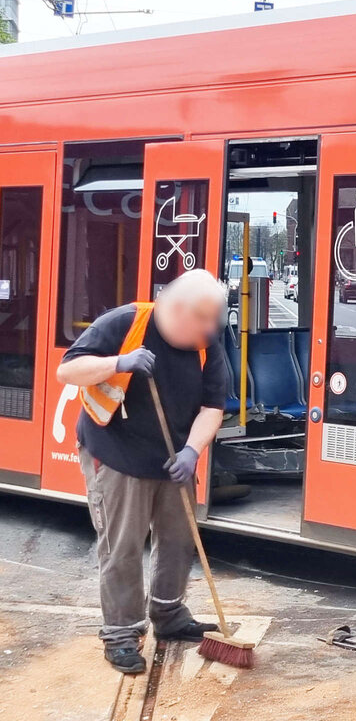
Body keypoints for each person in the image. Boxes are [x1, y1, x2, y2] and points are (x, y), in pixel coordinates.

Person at [56, 270, 230, 674]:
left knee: (178, 538)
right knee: (123, 545)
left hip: (174, 456)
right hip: (117, 452)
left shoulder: (206, 342)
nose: (209, 328)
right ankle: (121, 634)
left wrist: (192, 450)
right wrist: (119, 362)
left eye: (213, 320)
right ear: (177, 308)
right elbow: (68, 372)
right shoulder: (123, 323)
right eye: (202, 319)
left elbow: (213, 407)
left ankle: (169, 615)